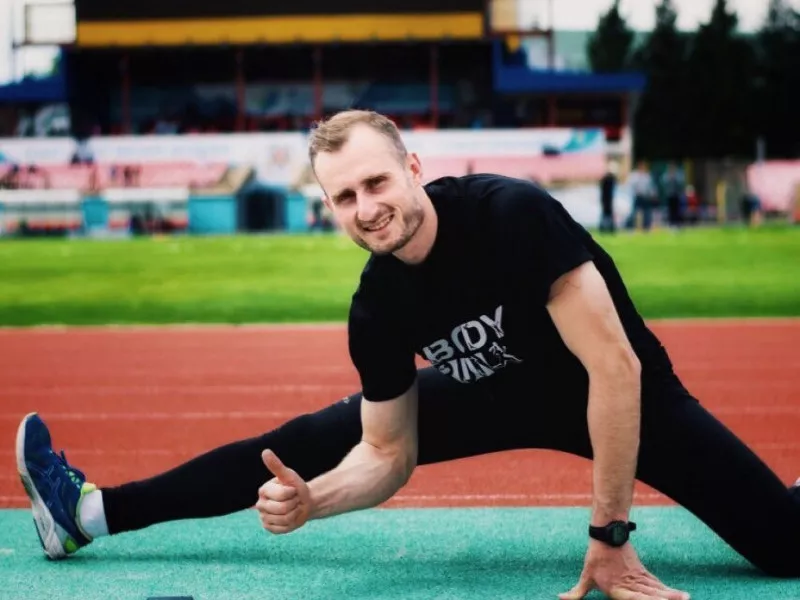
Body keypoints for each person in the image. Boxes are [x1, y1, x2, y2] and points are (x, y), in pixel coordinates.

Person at [16, 110, 799, 600]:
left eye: (375, 182)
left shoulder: (512, 215)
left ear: (414, 168)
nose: (366, 208)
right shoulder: (377, 306)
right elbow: (389, 455)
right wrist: (316, 501)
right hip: (498, 391)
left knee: (782, 545)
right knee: (309, 439)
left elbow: (615, 370)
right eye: (344, 197)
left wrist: (610, 538)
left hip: (617, 390)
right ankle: (88, 514)